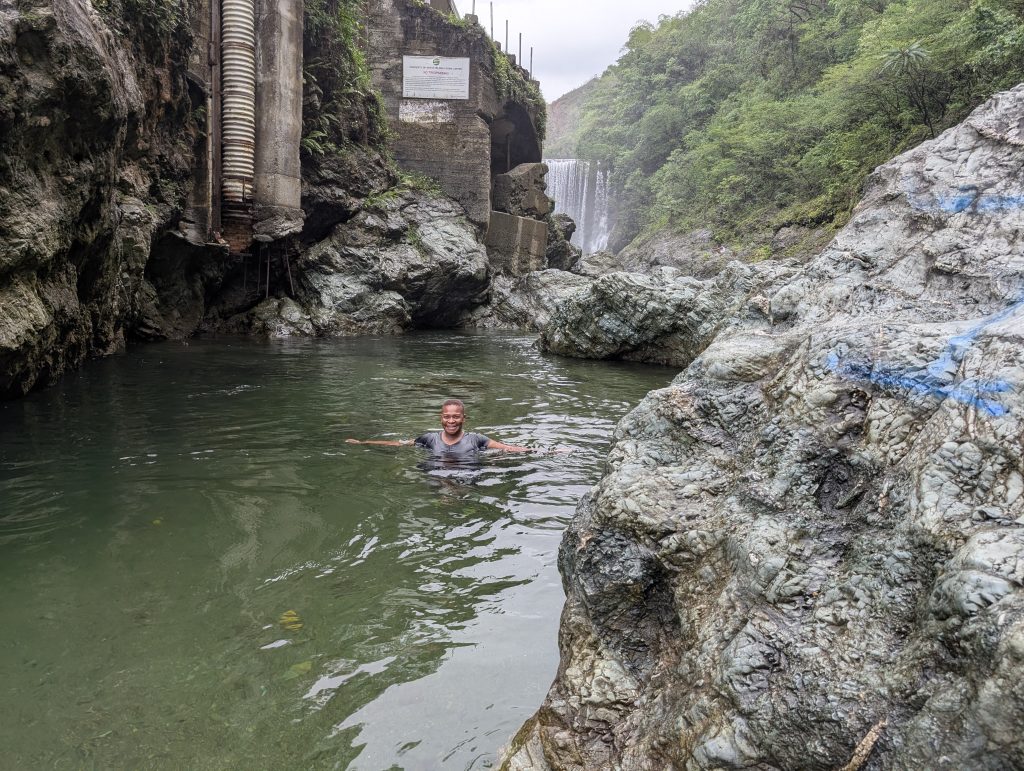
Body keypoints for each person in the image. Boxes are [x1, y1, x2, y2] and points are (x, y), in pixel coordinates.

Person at [345, 399, 534, 455]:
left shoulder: (476, 439)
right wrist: (363, 442)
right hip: (436, 478)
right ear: (441, 418)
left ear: (463, 419)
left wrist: (548, 452)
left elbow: (508, 448)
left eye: (455, 417)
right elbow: (398, 444)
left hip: (465, 479)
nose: (451, 421)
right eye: (447, 417)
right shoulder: (429, 439)